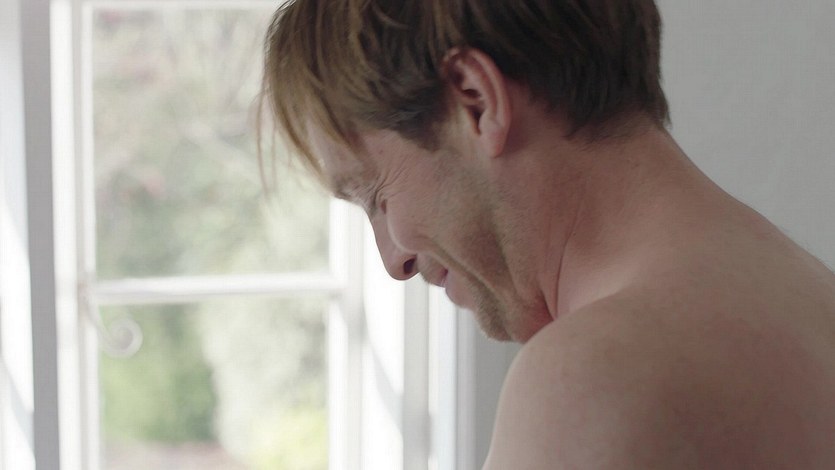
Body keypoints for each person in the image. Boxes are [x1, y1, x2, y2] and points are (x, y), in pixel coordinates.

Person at [261, 1, 835, 468]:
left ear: (475, 101)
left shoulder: (596, 380)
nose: (394, 260)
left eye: (375, 196)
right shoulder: (807, 294)